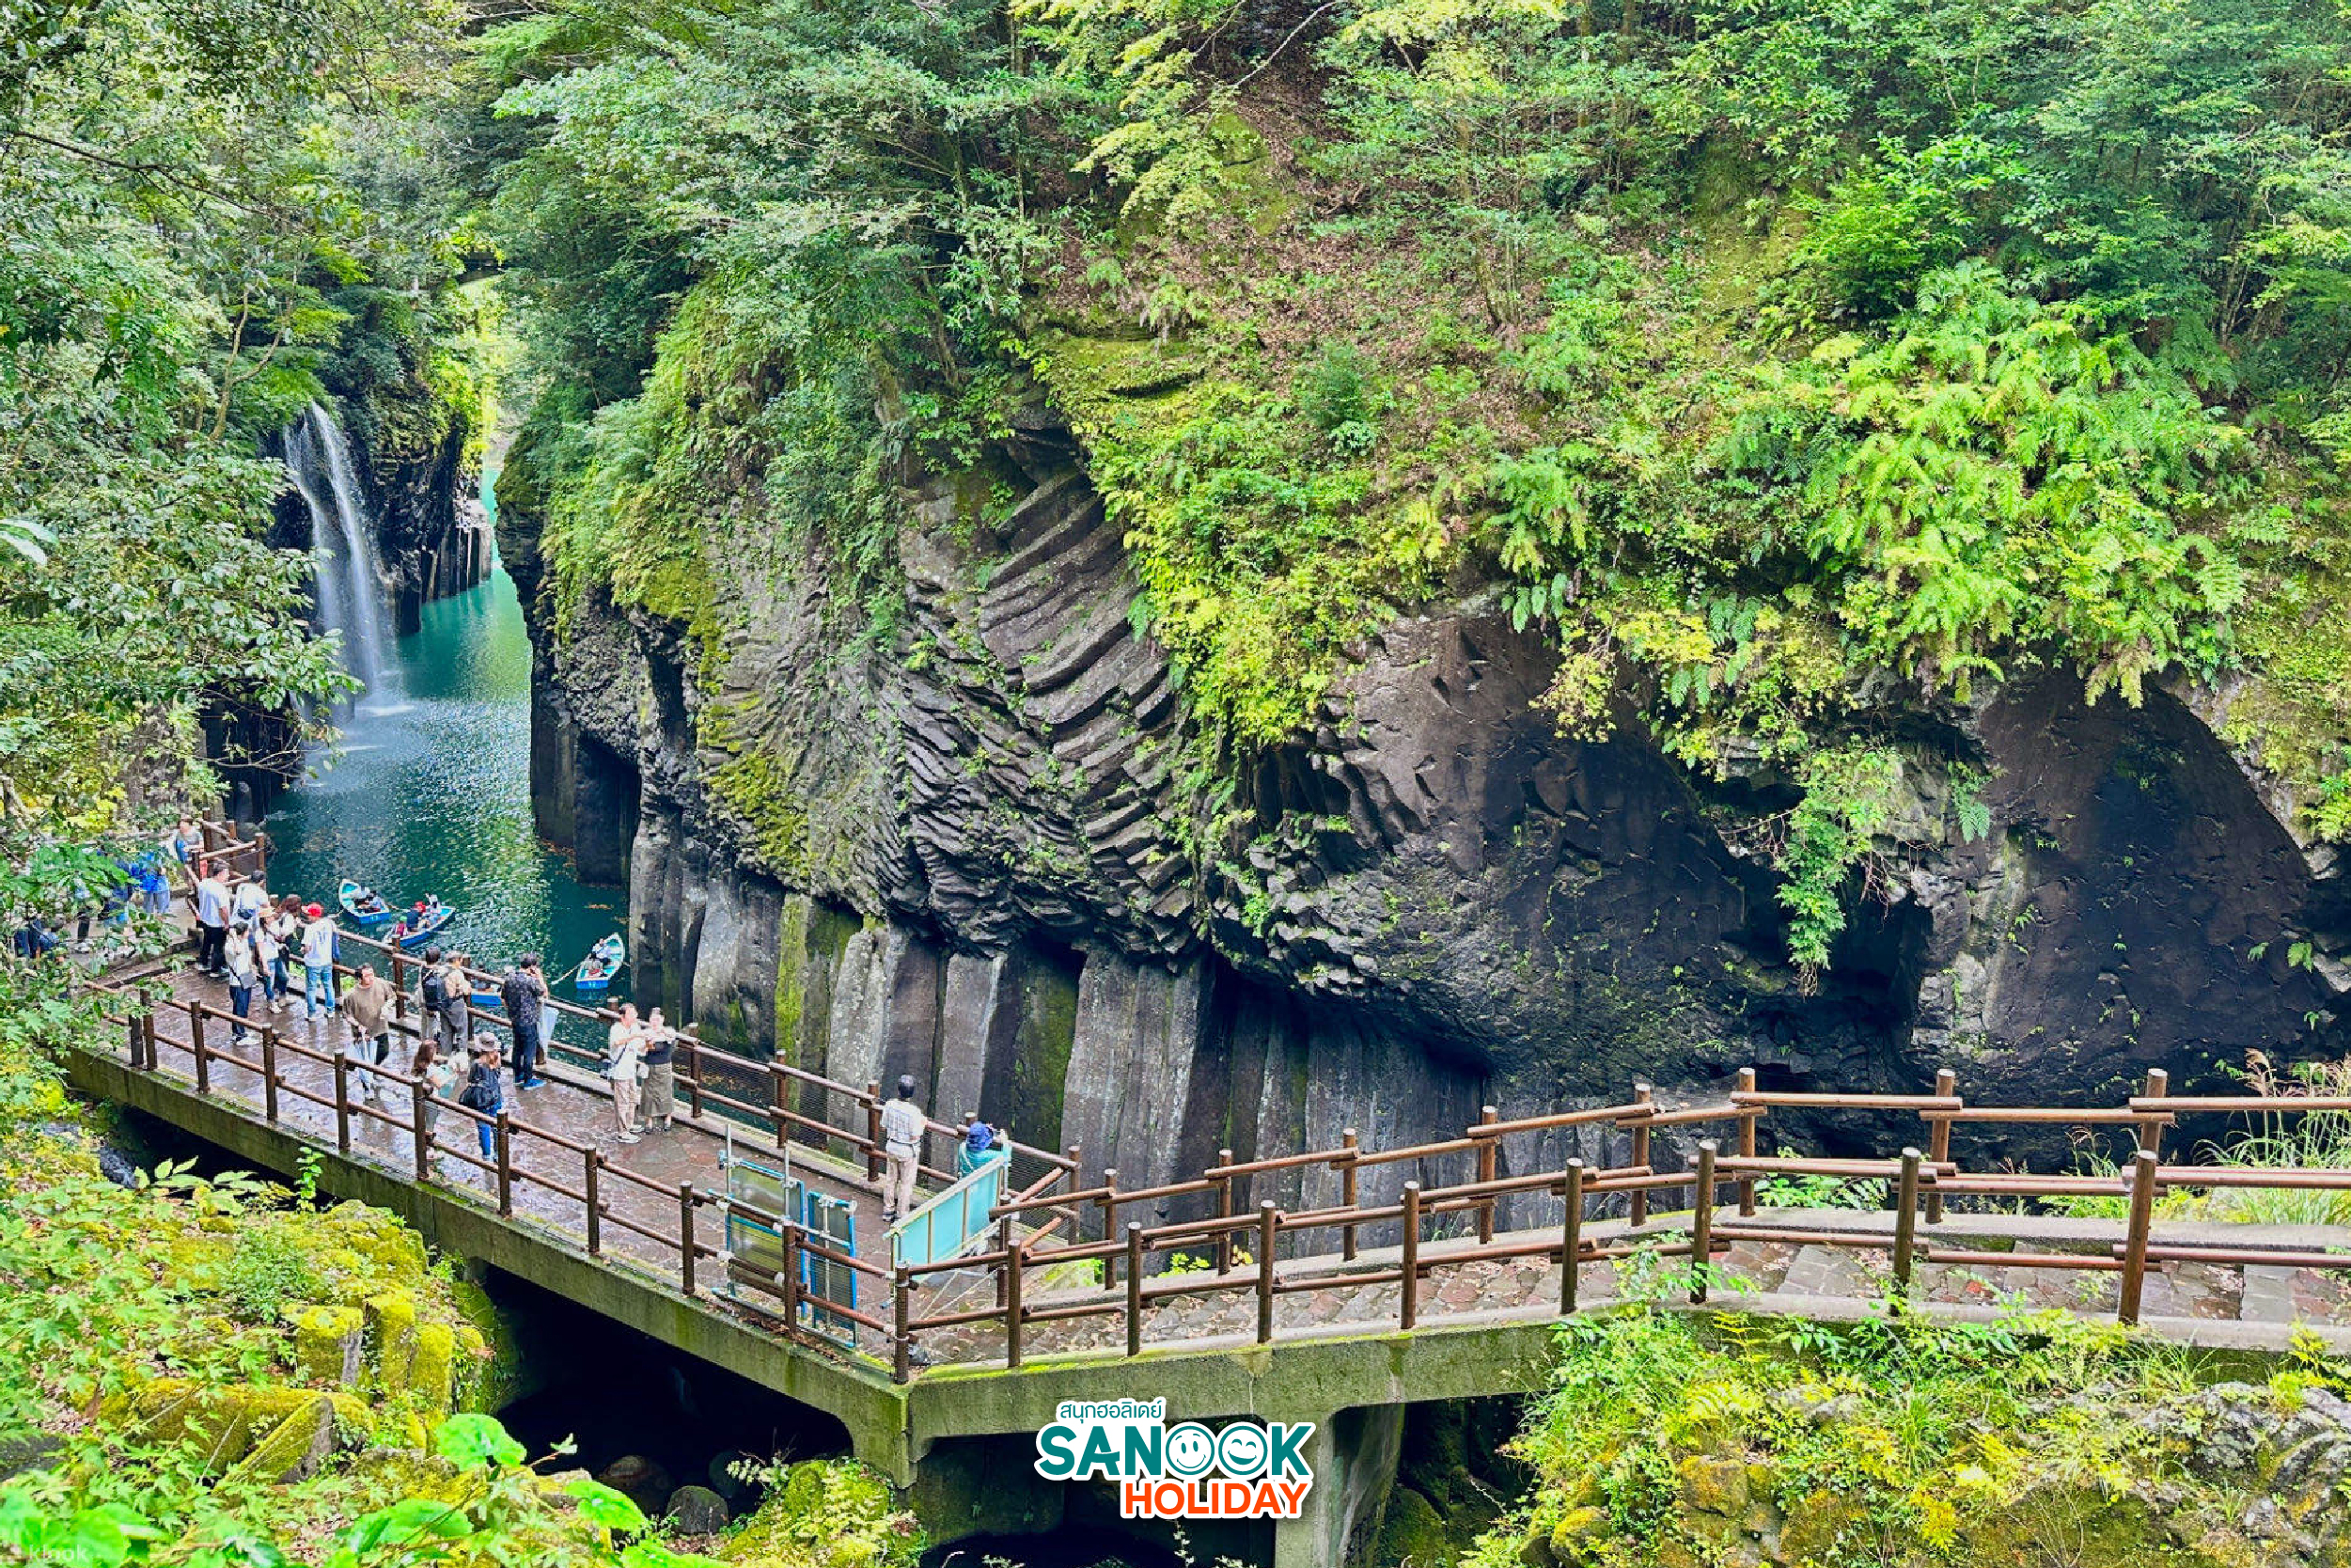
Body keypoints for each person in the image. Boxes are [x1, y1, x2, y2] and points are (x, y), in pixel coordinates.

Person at [339, 964, 395, 1102]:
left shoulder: (381, 984)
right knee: (365, 1061)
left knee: (384, 1051)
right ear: (360, 978)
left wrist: (387, 1006)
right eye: (367, 976)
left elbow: (392, 997)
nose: (371, 978)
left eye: (372, 974)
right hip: (364, 1034)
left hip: (381, 1027)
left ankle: (371, 1070)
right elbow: (347, 1014)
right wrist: (358, 1025)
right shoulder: (351, 995)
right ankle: (366, 1086)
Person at [879, 1074, 924, 1224]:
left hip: (891, 1146)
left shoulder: (890, 1105)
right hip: (907, 1151)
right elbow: (915, 1136)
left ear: (898, 1090)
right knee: (905, 1184)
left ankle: (888, 1210)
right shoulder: (915, 1112)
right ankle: (901, 1215)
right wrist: (923, 1123)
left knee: (890, 1180)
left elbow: (883, 1125)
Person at [500, 954, 549, 1090]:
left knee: (517, 1048)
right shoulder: (530, 981)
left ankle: (517, 1076)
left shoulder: (509, 977)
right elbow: (544, 993)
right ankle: (528, 1081)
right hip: (528, 1020)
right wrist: (539, 977)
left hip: (515, 1018)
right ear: (532, 967)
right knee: (529, 1051)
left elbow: (503, 998)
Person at [458, 1033, 505, 1159]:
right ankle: (498, 1154)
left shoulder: (476, 1063)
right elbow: (498, 1075)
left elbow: (470, 1078)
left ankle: (486, 1155)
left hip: (480, 1100)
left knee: (483, 1128)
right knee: (497, 1127)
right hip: (495, 1097)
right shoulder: (496, 1059)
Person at [605, 1007, 646, 1144]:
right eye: (632, 1013)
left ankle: (629, 1124)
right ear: (623, 1016)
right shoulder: (616, 1029)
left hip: (631, 1070)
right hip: (620, 1071)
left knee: (632, 1098)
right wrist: (634, 1036)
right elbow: (617, 1042)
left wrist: (648, 1044)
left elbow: (641, 1049)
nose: (635, 1015)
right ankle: (623, 1132)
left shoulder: (635, 1027)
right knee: (622, 1102)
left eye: (635, 1013)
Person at [419, 945, 466, 1049]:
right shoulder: (456, 973)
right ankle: (462, 1056)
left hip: (439, 1004)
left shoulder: (437, 970)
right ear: (457, 961)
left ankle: (444, 1054)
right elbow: (465, 990)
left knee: (445, 1031)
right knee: (461, 1031)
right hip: (453, 1003)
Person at [222, 921, 260, 1043]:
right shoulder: (230, 946)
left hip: (245, 978)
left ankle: (238, 1031)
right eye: (247, 931)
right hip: (237, 982)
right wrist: (233, 936)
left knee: (243, 1007)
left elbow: (247, 956)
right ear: (241, 933)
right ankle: (240, 1035)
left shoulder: (243, 942)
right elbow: (237, 951)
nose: (249, 933)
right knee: (239, 1008)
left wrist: (252, 969)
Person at [412, 1037, 457, 1140]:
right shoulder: (430, 1068)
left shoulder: (418, 1060)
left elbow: (435, 1057)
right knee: (430, 1124)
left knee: (421, 1121)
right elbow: (439, 1085)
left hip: (419, 1095)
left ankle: (424, 1143)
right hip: (430, 1099)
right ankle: (428, 1149)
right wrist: (452, 1076)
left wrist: (447, 1058)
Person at [641, 1006, 677, 1133]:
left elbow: (671, 1036)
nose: (654, 1022)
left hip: (664, 1065)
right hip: (649, 1065)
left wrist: (658, 1031)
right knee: (648, 1094)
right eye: (652, 1019)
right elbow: (642, 1049)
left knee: (666, 1092)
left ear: (662, 1019)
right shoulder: (646, 1032)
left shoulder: (669, 1031)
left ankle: (668, 1117)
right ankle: (649, 1121)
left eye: (657, 1019)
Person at [299, 902, 337, 1019]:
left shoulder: (310, 928)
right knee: (328, 986)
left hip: (313, 962)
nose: (307, 916)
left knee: (311, 988)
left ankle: (312, 1014)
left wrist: (302, 950)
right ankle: (330, 1011)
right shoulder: (329, 923)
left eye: (309, 914)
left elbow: (307, 947)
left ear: (315, 916)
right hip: (327, 960)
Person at [193, 861, 229, 975]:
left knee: (207, 942)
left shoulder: (204, 883)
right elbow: (223, 909)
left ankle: (203, 963)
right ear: (220, 874)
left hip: (205, 919)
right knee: (218, 947)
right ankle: (216, 969)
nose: (228, 876)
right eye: (226, 873)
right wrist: (227, 923)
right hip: (217, 923)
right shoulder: (220, 890)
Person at [250, 903, 285, 1014]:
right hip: (268, 959)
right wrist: (264, 965)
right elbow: (260, 950)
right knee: (269, 982)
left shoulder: (274, 926)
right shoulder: (260, 933)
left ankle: (282, 996)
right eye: (270, 916)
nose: (273, 917)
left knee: (284, 977)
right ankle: (271, 1003)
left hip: (276, 956)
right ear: (265, 919)